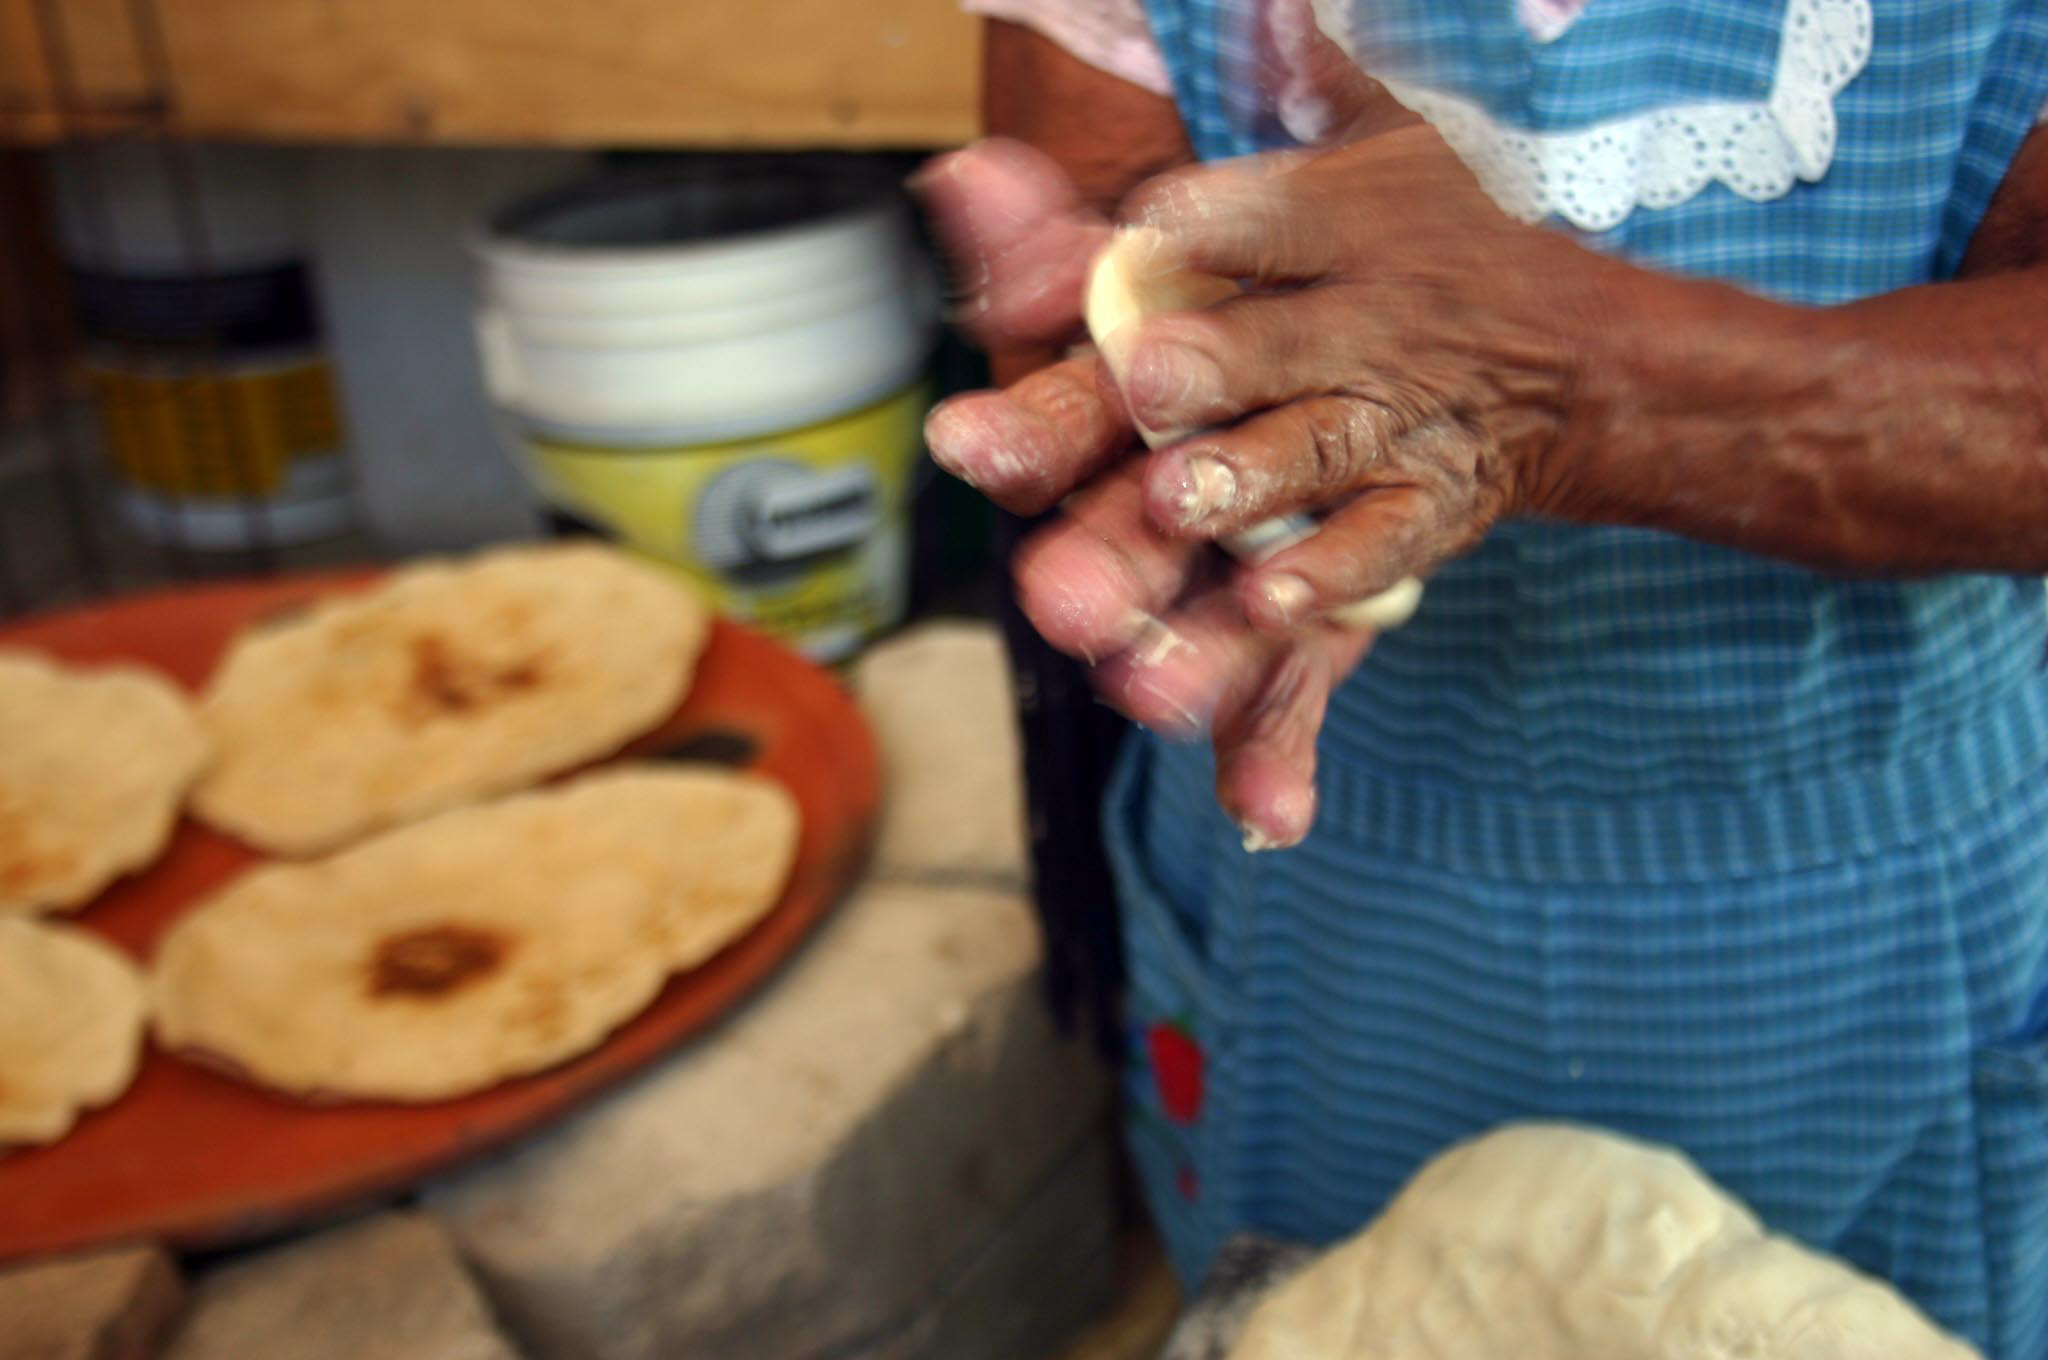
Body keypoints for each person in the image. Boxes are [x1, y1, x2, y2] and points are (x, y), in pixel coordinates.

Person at [915, 0, 2048, 1354]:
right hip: (1325, 889)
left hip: (1879, 925)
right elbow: (1093, 297)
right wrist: (1193, 445)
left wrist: (1576, 384)